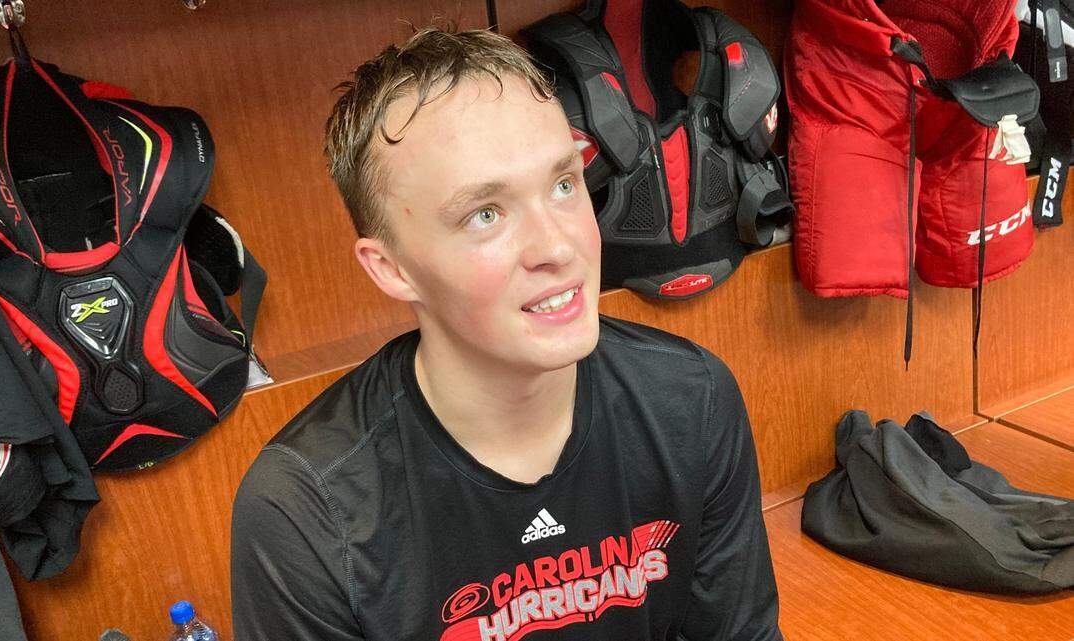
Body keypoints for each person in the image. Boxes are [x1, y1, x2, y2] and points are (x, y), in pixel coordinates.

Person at [231, 26, 782, 641]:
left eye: (564, 184)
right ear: (392, 268)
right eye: (485, 214)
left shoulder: (693, 400)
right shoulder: (306, 510)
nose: (557, 246)